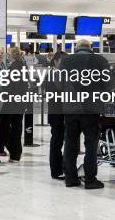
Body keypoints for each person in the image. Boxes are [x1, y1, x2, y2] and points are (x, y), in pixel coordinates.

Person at [58, 39, 110, 189]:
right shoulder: (100, 60)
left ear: (76, 48)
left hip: (70, 109)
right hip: (91, 109)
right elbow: (108, 84)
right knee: (91, 145)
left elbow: (58, 84)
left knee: (70, 144)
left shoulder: (66, 60)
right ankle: (90, 180)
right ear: (91, 48)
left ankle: (70, 178)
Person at [1, 47, 27, 163]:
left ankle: (13, 151)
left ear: (11, 55)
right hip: (20, 102)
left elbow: (10, 86)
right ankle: (16, 154)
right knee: (17, 127)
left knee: (4, 125)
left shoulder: (14, 67)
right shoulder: (23, 66)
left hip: (12, 102)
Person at [45, 51, 67, 180]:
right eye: (63, 62)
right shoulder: (53, 75)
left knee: (60, 142)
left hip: (60, 113)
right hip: (56, 114)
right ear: (55, 62)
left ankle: (61, 168)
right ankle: (56, 171)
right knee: (56, 142)